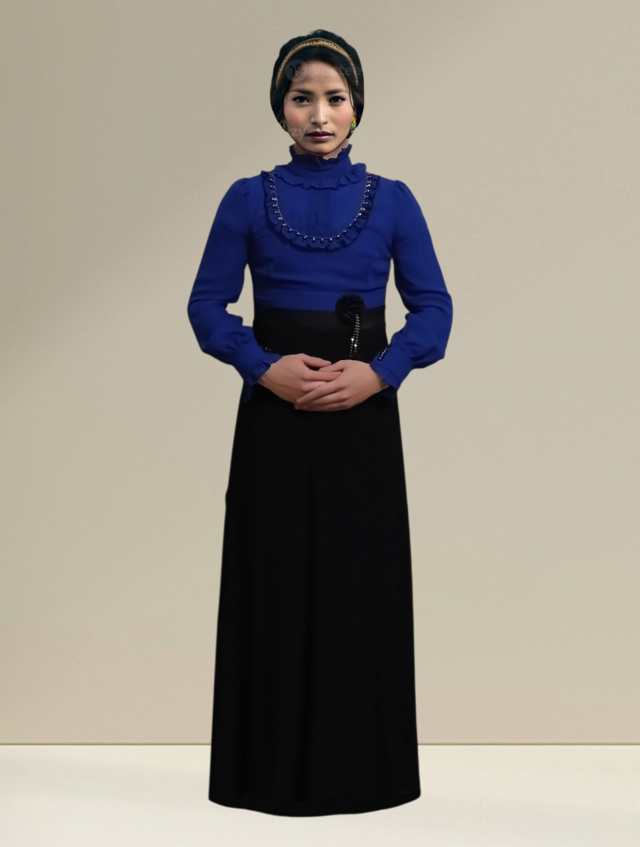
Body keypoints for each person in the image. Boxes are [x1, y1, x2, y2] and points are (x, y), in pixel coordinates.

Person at [187, 29, 453, 817]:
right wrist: (259, 363)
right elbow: (206, 305)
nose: (319, 115)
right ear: (281, 108)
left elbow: (434, 310)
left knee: (357, 588)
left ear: (357, 106)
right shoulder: (246, 198)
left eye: (335, 98)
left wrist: (381, 373)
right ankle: (265, 776)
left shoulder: (393, 200)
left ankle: (362, 776)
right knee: (272, 583)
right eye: (302, 98)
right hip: (275, 418)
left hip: (362, 420)